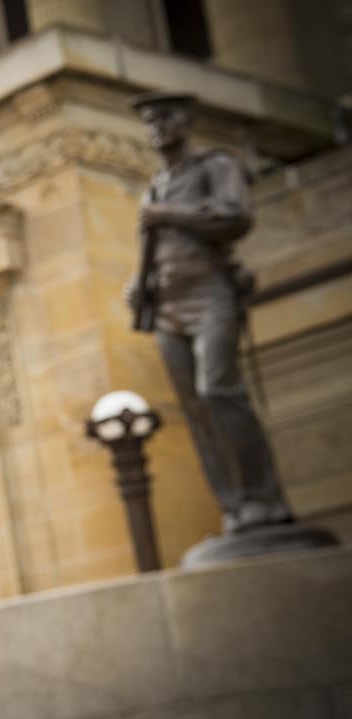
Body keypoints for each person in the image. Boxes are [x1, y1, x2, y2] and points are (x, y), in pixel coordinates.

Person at [123, 91, 291, 533]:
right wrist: (138, 285)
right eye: (148, 121)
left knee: (219, 391)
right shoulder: (154, 188)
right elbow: (153, 251)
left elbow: (235, 217)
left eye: (162, 118)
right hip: (167, 306)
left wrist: (169, 214)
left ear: (184, 122)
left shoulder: (216, 166)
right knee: (195, 409)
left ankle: (265, 499)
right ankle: (233, 507)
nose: (154, 128)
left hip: (210, 292)